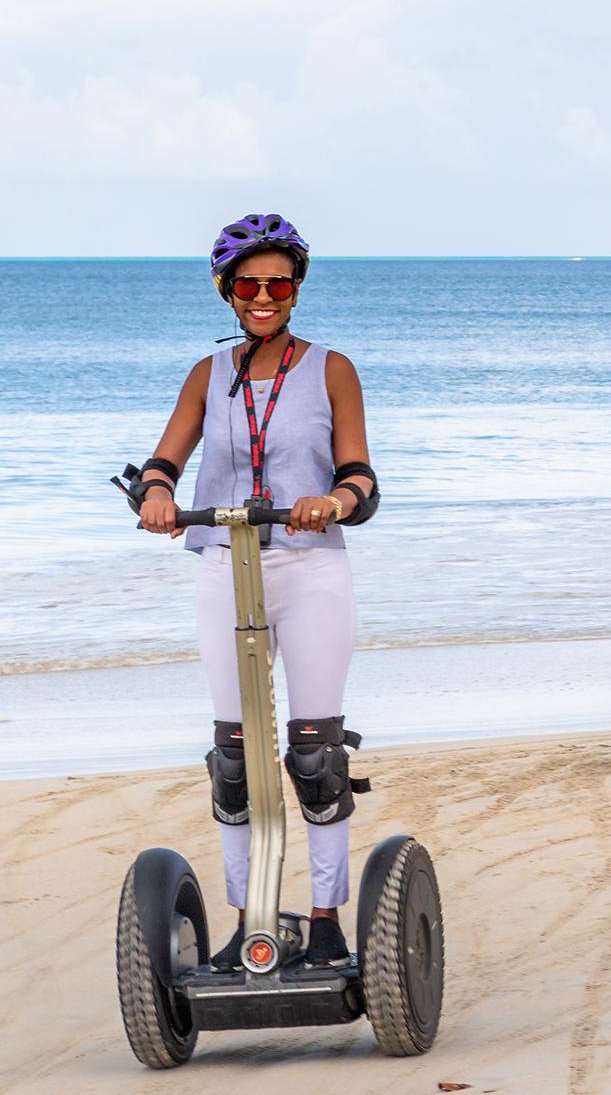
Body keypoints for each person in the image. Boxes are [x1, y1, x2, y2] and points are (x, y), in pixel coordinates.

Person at [122, 214, 380, 970]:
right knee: (232, 761)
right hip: (221, 565)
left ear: (296, 290)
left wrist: (333, 501)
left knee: (315, 756)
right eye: (249, 284)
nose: (264, 296)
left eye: (279, 283)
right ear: (227, 292)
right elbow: (161, 460)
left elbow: (361, 476)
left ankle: (327, 923)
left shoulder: (332, 368)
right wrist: (156, 497)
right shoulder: (209, 375)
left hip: (310, 569)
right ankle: (248, 925)